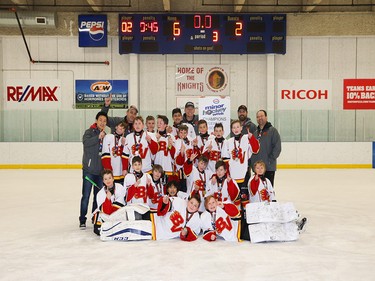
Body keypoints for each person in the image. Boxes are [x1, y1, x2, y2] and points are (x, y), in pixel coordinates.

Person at [79, 111, 108, 229]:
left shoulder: (106, 135)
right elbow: (86, 143)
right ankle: (82, 219)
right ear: (96, 121)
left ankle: (94, 216)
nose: (102, 122)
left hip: (100, 173)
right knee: (86, 196)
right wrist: (98, 137)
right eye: (100, 120)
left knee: (98, 197)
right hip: (89, 171)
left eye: (104, 121)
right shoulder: (89, 132)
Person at [250, 110, 281, 187]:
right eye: (258, 117)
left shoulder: (273, 131)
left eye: (261, 116)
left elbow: (277, 147)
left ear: (266, 117)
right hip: (257, 169)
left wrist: (269, 161)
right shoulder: (255, 133)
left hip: (268, 168)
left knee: (268, 191)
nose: (260, 118)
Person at [92, 169, 126, 235]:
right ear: (103, 181)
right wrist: (108, 199)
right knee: (98, 216)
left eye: (109, 178)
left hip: (118, 213)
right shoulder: (100, 194)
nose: (108, 180)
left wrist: (108, 201)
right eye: (105, 179)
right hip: (107, 215)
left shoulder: (120, 188)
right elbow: (106, 211)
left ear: (113, 179)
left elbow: (119, 207)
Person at [154, 115, 176, 181]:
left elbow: (173, 155)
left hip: (167, 166)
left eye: (160, 123)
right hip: (157, 166)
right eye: (157, 123)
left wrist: (170, 146)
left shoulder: (171, 137)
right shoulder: (153, 136)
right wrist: (156, 141)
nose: (158, 124)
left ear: (165, 125)